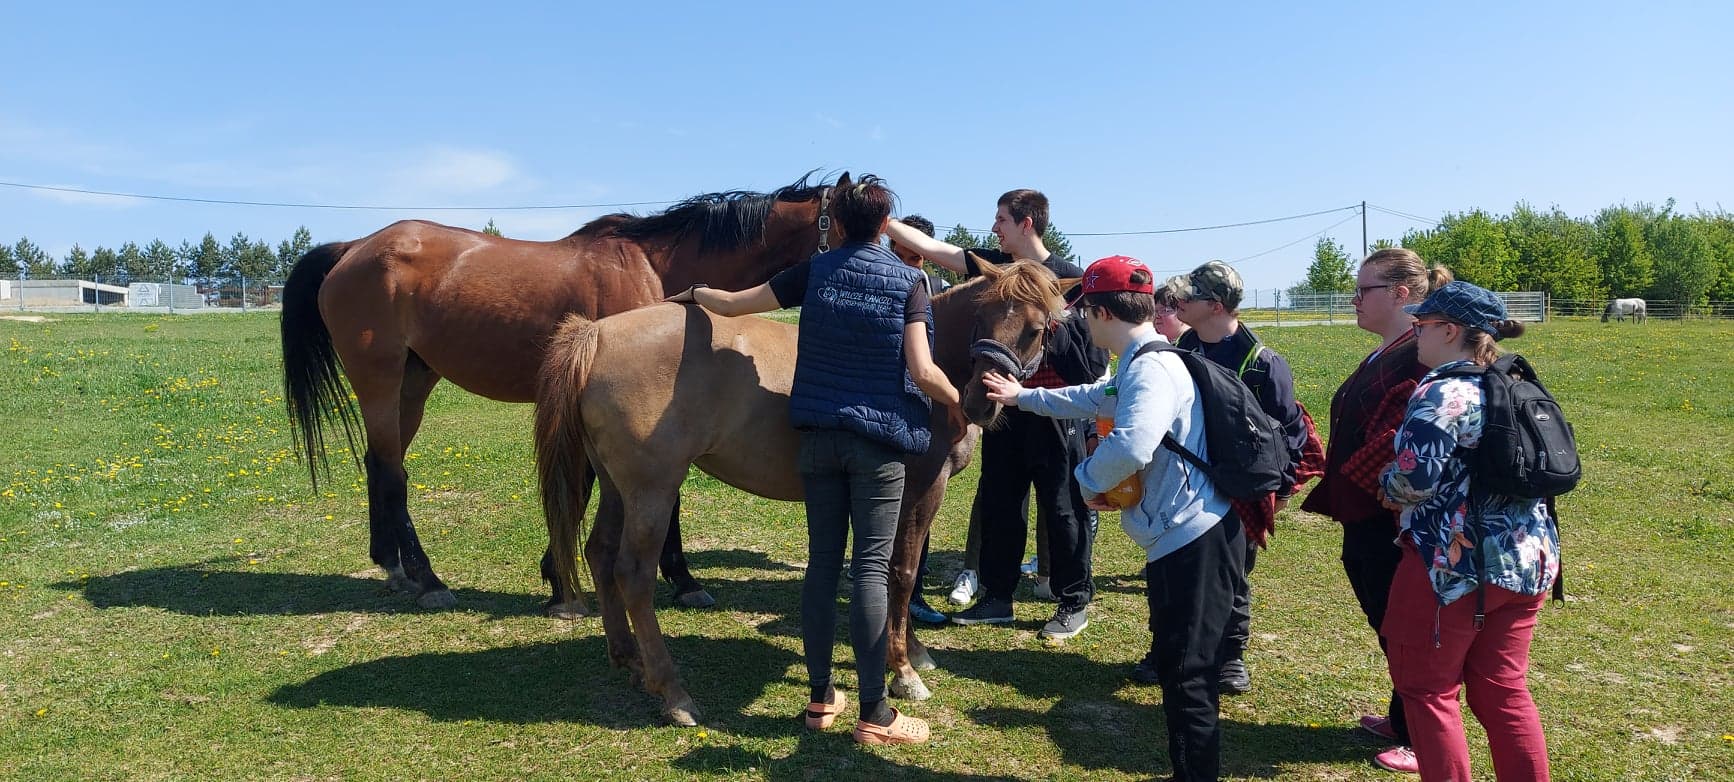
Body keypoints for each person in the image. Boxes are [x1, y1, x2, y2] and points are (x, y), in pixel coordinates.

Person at [670, 174, 962, 746]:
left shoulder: (816, 270)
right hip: (879, 449)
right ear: (884, 226)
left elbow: (735, 303)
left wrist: (696, 295)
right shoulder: (910, 282)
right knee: (871, 572)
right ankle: (876, 713)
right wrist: (960, 403)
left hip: (818, 442)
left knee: (821, 568)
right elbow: (924, 372)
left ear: (838, 222)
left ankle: (821, 699)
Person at [982, 254, 1241, 781]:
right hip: (1185, 534)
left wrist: (1084, 483)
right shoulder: (1146, 358)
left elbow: (1130, 445)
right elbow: (1088, 397)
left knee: (1188, 676)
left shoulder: (1149, 369)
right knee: (1179, 666)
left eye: (1083, 312)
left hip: (1194, 539)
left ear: (1100, 314)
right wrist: (1022, 396)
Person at [888, 189, 1109, 640]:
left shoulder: (1071, 279)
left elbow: (1091, 363)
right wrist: (880, 222)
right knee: (1000, 505)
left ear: (1027, 223)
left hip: (1053, 413)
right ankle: (997, 596)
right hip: (1001, 411)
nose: (995, 229)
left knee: (1063, 509)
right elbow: (935, 250)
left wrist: (1057, 325)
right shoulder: (995, 268)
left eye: (1002, 220)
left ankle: (1073, 601)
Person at [1379, 281, 1557, 780]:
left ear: (1450, 330)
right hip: (1527, 561)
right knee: (1503, 689)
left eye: (1422, 324)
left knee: (1429, 691)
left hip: (1452, 566)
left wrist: (1384, 482)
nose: (1415, 334)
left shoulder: (1442, 390)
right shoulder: (1514, 383)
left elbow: (1414, 479)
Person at [1299, 248, 1451, 773]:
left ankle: (1419, 732)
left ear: (1403, 295)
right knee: (1385, 620)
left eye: (1366, 290)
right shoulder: (1393, 348)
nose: (1355, 300)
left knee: (1404, 627)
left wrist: (1367, 481)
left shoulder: (1417, 353)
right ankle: (1402, 713)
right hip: (1365, 511)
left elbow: (1403, 437)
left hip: (1392, 518)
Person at [1167, 260, 1312, 695]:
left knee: (1231, 576)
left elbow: (1291, 434)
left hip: (1238, 490)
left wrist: (1280, 492)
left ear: (1214, 306)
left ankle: (1231, 657)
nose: (1177, 303)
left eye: (1186, 298)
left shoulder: (1263, 363)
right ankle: (1168, 651)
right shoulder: (1179, 351)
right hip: (1184, 484)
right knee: (1175, 570)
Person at [887, 214, 951, 625]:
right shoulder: (887, 282)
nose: (914, 262)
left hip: (926, 404)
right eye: (906, 253)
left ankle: (916, 591)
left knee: (919, 512)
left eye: (919, 255)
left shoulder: (940, 291)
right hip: (893, 401)